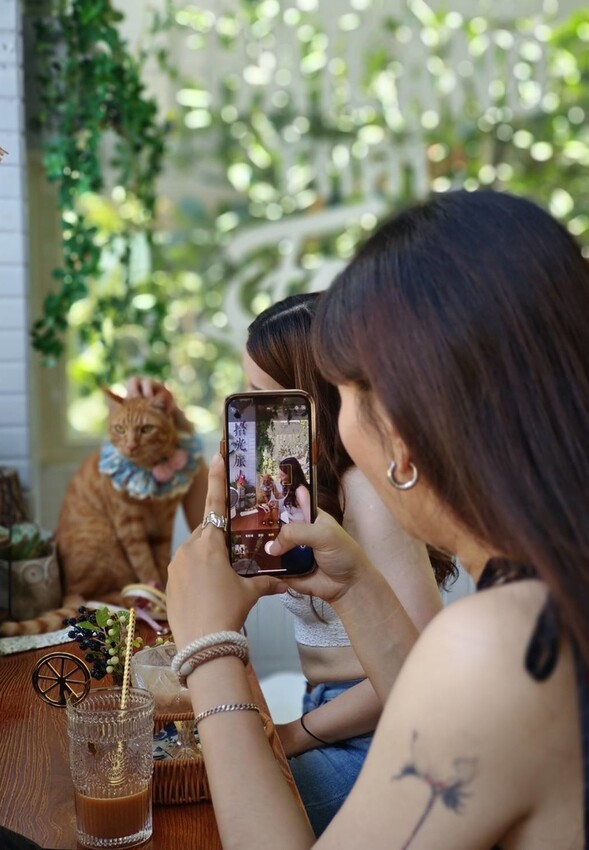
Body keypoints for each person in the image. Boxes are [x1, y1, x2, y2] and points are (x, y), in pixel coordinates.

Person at [166, 189, 589, 849]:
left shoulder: (507, 644)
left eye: (341, 394)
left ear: (399, 434)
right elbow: (442, 712)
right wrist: (357, 586)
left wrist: (208, 648)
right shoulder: (544, 596)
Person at [244, 293, 445, 833]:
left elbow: (416, 674)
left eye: (264, 396)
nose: (250, 412)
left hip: (379, 729)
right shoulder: (299, 488)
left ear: (314, 397)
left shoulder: (366, 493)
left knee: (233, 812)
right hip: (326, 707)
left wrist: (297, 732)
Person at [277, 455, 311, 525]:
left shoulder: (301, 491)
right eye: (279, 474)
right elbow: (278, 495)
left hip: (299, 532)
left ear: (292, 475)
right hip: (290, 527)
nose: (279, 477)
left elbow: (310, 521)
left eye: (282, 475)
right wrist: (272, 486)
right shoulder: (290, 487)